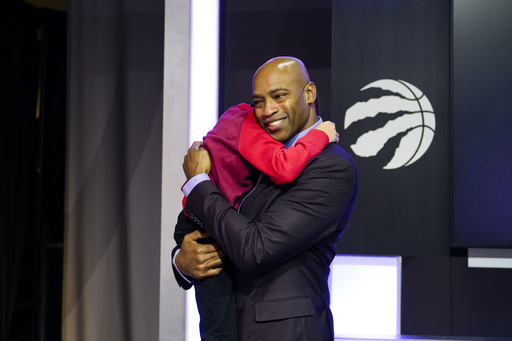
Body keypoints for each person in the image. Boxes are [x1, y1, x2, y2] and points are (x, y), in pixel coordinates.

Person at [174, 56, 358, 340]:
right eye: (258, 102)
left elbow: (255, 249)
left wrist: (198, 181)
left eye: (279, 96)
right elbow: (223, 228)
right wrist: (182, 262)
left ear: (309, 93)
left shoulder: (331, 166)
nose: (268, 110)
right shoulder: (255, 149)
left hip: (285, 332)